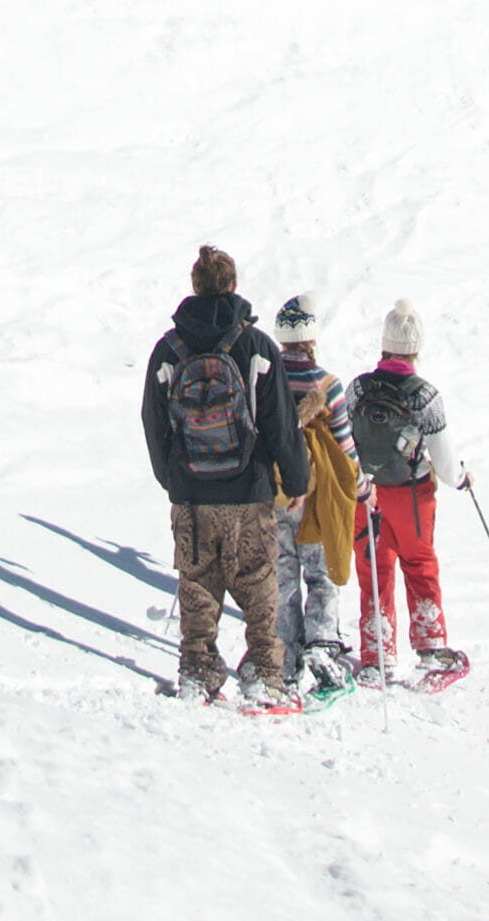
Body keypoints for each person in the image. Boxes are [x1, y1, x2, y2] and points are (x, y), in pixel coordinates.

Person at [142, 244, 309, 707]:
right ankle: (263, 675)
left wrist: (172, 478)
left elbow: (153, 423)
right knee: (259, 587)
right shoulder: (256, 347)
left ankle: (197, 670)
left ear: (194, 287)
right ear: (233, 286)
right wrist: (296, 481)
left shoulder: (168, 350)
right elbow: (280, 423)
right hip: (248, 492)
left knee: (197, 585)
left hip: (191, 495)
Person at [348, 298, 468, 680]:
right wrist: (461, 478)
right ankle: (431, 647)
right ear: (415, 347)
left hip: (366, 496)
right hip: (413, 497)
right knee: (419, 564)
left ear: (384, 344)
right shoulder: (425, 395)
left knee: (374, 570)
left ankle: (376, 655)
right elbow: (446, 463)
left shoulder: (358, 389)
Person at [269, 292, 358, 691]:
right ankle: (323, 643)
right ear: (311, 338)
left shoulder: (265, 381)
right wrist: (363, 486)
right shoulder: (327, 384)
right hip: (318, 497)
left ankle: (285, 656)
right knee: (320, 574)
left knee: (283, 574)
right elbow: (344, 448)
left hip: (274, 495)